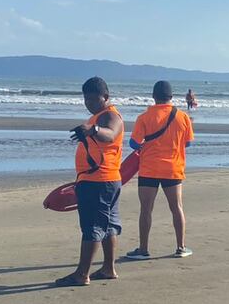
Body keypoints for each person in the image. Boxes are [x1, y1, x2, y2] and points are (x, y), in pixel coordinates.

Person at [55, 77, 124, 285]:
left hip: (99, 181)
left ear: (106, 97)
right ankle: (108, 268)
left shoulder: (111, 116)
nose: (89, 104)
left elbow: (110, 134)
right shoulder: (98, 117)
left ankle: (82, 273)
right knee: (108, 226)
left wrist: (93, 130)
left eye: (94, 100)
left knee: (93, 227)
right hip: (104, 180)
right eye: (86, 100)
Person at [124, 80, 195, 259]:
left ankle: (143, 249)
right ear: (171, 97)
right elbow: (188, 142)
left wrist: (145, 148)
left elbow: (133, 143)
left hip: (149, 168)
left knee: (146, 209)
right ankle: (181, 247)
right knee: (177, 207)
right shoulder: (183, 117)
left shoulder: (144, 117)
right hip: (173, 168)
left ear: (154, 97)